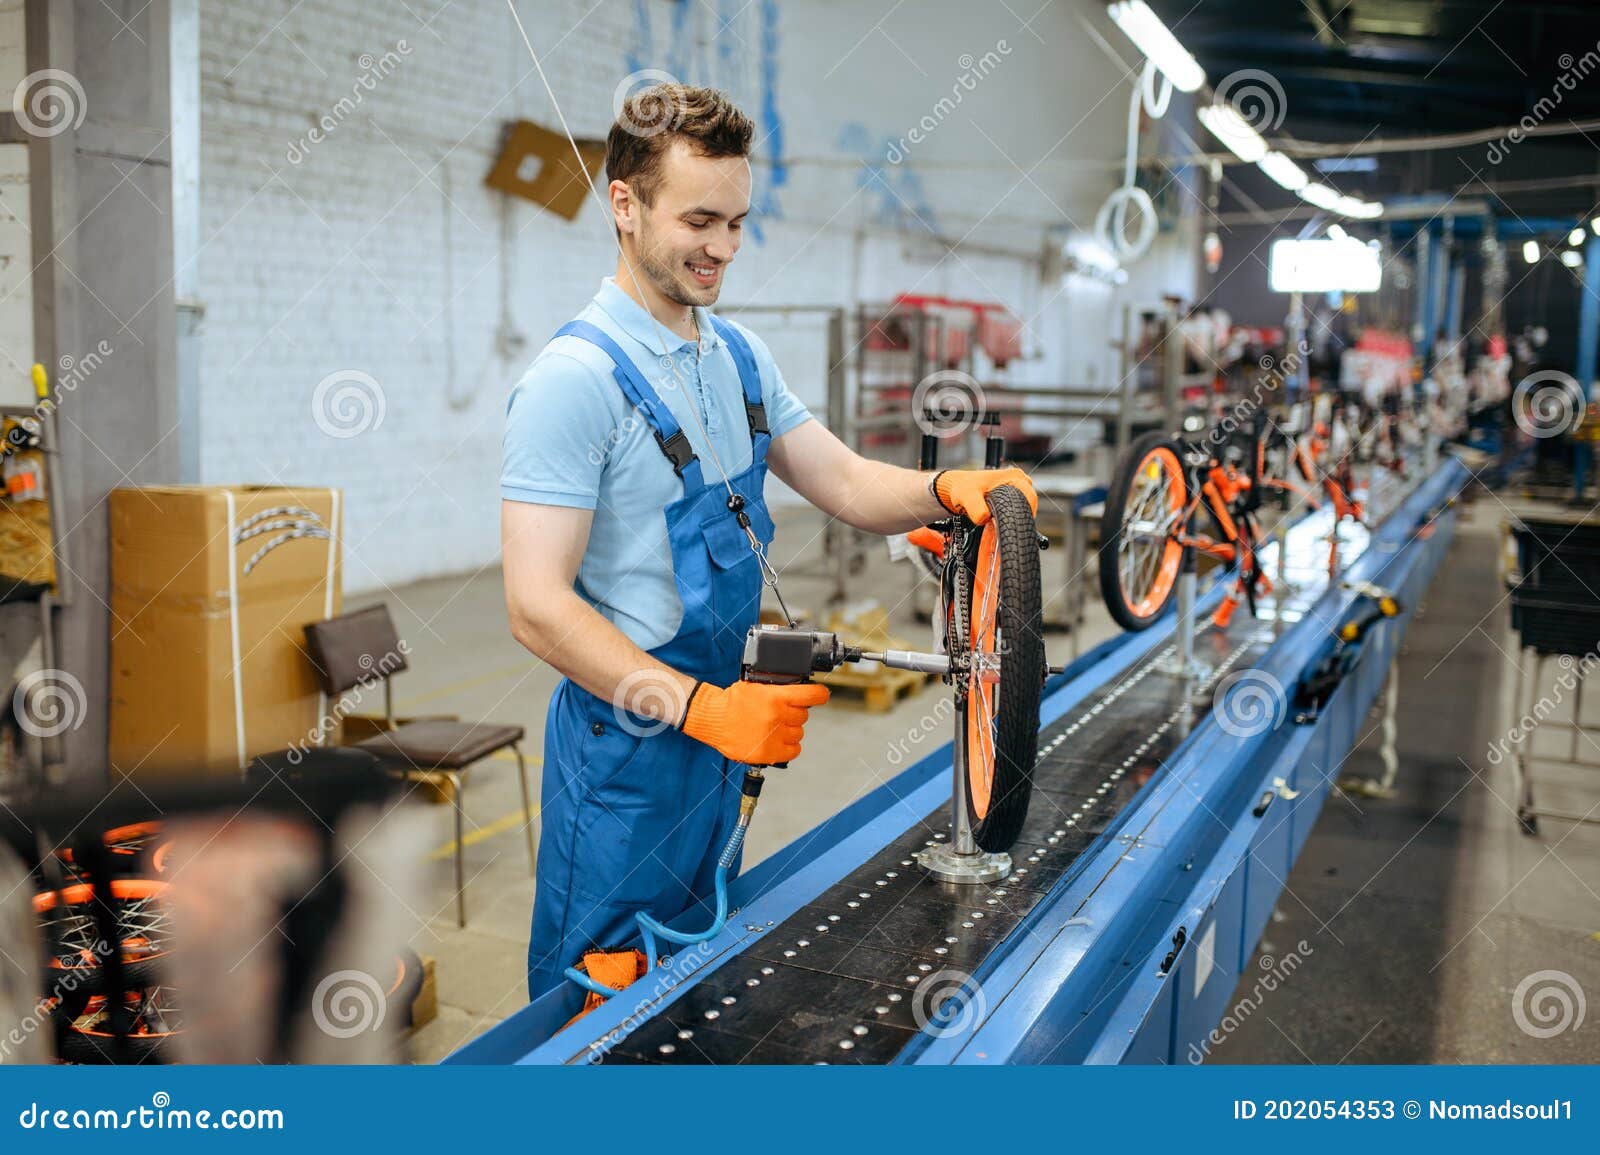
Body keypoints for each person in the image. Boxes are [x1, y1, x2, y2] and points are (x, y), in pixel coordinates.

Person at [500, 84, 1036, 1001]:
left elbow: (842, 480)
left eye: (739, 222)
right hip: (629, 751)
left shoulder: (737, 358)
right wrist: (702, 709)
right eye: (700, 220)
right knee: (594, 1005)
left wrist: (944, 488)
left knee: (695, 972)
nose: (724, 248)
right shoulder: (573, 382)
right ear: (623, 206)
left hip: (722, 739)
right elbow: (535, 606)